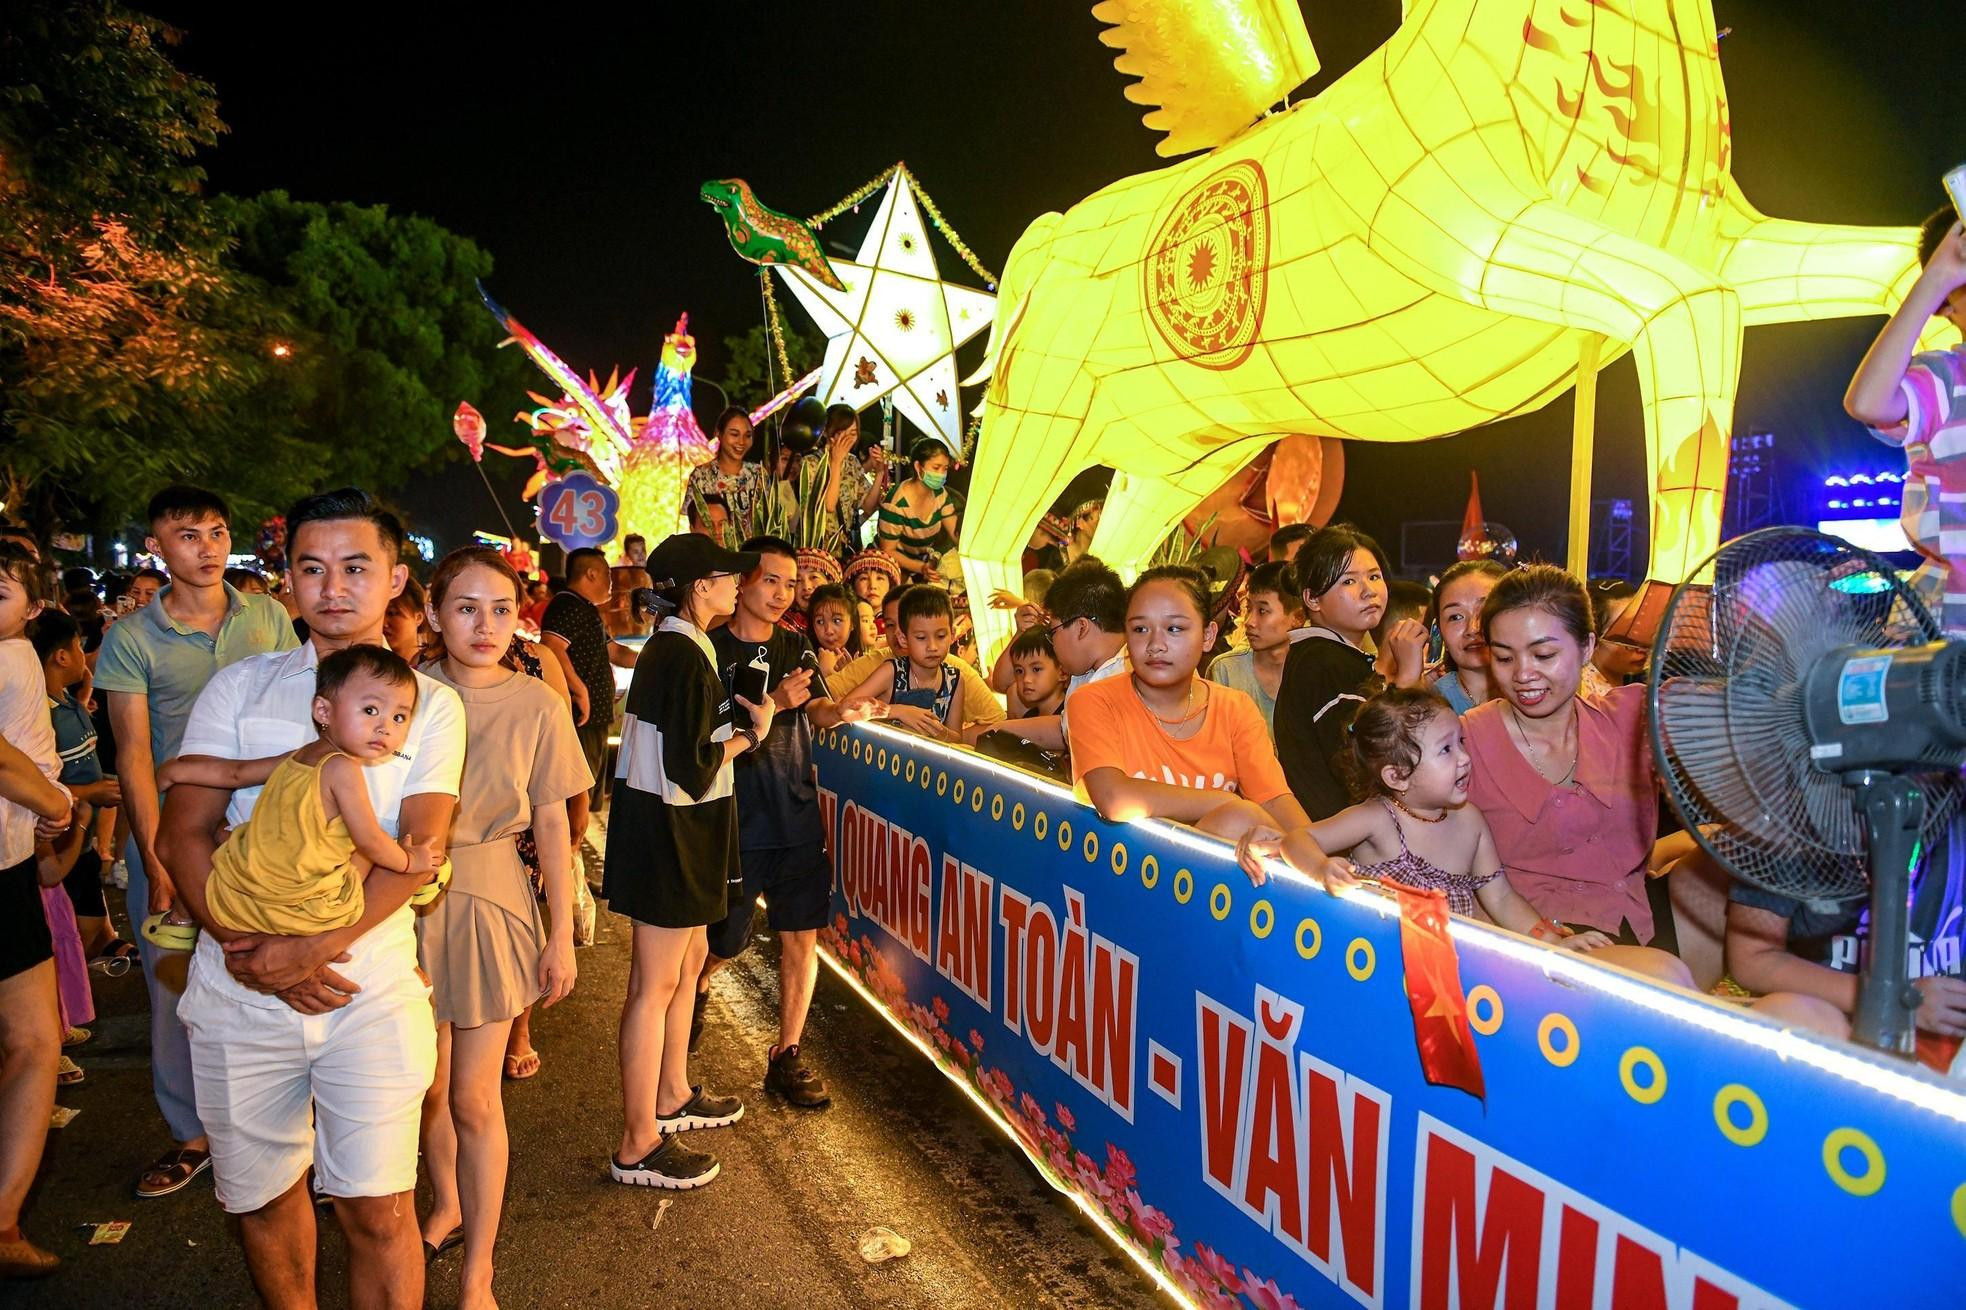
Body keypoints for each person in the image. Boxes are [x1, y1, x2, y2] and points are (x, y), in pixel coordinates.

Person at [156, 488, 464, 1309]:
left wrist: (310, 950)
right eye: (311, 567)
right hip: (236, 989)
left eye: (356, 567)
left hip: (367, 992)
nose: (333, 587)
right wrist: (245, 950)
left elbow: (418, 856)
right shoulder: (238, 690)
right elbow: (181, 834)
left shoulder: (430, 706)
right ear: (286, 578)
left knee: (379, 1208)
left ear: (396, 578)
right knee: (259, 1200)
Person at [92, 484, 297, 1201]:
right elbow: (133, 754)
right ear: (157, 547)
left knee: (272, 971)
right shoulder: (131, 638)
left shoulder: (268, 616)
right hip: (173, 832)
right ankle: (192, 1135)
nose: (206, 547)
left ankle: (288, 1128)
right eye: (187, 535)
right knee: (173, 990)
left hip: (261, 835)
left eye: (215, 531)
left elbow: (298, 720)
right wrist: (154, 854)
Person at [415, 547, 586, 1303]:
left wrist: (559, 934)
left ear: (521, 619)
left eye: (502, 610)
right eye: (465, 607)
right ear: (431, 612)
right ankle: (445, 1201)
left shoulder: (539, 703)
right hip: (403, 900)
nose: (485, 626)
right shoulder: (405, 696)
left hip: (492, 896)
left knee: (474, 1098)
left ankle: (479, 1268)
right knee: (424, 1087)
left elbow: (553, 825)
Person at [605, 533, 771, 1190]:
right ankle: (636, 1141)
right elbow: (695, 766)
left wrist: (747, 711)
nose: (739, 586)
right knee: (653, 985)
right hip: (668, 832)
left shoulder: (681, 646)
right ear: (700, 587)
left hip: (681, 829)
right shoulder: (678, 653)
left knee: (689, 964)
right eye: (730, 577)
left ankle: (670, 1095)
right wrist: (747, 737)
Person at [699, 537, 863, 1107]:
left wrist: (842, 709)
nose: (781, 594)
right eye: (772, 580)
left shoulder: (796, 646)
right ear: (743, 581)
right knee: (726, 937)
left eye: (790, 584)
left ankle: (786, 1053)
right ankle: (695, 988)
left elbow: (817, 707)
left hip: (795, 813)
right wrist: (781, 702)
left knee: (801, 937)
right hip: (735, 819)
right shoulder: (709, 649)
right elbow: (708, 727)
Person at [1067, 566, 1342, 887]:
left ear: (1208, 635)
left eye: (1175, 629)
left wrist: (1314, 858)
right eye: (1140, 630)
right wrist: (1224, 803)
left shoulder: (1234, 707)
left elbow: (1274, 800)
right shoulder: (1095, 701)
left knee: (1250, 827)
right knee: (1239, 819)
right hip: (1114, 876)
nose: (1156, 644)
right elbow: (1115, 800)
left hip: (1201, 885)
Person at [152, 646, 441, 945]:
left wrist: (175, 772)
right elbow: (369, 840)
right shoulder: (343, 768)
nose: (384, 727)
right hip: (305, 908)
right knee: (368, 850)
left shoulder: (301, 755)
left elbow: (234, 773)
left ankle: (182, 914)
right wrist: (410, 862)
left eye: (399, 717)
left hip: (245, 894)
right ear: (323, 711)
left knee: (233, 832)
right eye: (370, 710)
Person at [1462, 565, 1680, 952]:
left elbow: (1740, 712)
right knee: (1665, 973)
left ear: (1587, 647)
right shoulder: (1466, 740)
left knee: (1714, 876)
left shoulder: (1630, 715)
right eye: (1504, 658)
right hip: (1537, 936)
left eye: (1544, 654)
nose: (1524, 674)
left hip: (1632, 912)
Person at [1303, 687, 1618, 945]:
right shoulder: (1378, 819)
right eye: (1446, 750)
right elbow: (1299, 839)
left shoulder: (1470, 821)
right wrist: (1319, 867)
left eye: (1461, 742)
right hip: (1377, 961)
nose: (1465, 758)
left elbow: (1501, 898)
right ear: (1397, 776)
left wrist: (1550, 942)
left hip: (1449, 971)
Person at [1723, 816, 1966, 1069]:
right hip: (1833, 1027)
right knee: (1786, 1016)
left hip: (1946, 1048)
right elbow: (1752, 959)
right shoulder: (1785, 822)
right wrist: (1895, 1001)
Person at [0, 543, 75, 1279]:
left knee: (34, 1040)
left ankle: (4, 1221)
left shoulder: (19, 654)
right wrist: (52, 800)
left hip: (12, 867)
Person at [1846, 209, 1966, 634]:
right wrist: (1933, 280)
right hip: (1947, 640)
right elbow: (1869, 401)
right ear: (1946, 305)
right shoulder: (1947, 378)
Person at [1274, 525, 1425, 819]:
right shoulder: (1323, 660)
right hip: (1343, 842)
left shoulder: (1332, 656)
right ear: (1312, 599)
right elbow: (1360, 762)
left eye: (1374, 576)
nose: (1368, 590)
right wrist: (1406, 679)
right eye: (1349, 581)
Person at [539, 547, 640, 875]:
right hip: (578, 719)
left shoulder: (586, 611)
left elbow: (614, 652)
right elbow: (552, 648)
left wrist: (657, 658)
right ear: (591, 574)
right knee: (573, 802)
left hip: (594, 719)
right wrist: (580, 690)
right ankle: (560, 874)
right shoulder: (566, 605)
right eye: (608, 576)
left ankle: (571, 872)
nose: (611, 583)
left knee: (585, 799)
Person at [33, 610, 125, 960]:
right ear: (61, 656)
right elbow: (38, 786)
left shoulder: (66, 699)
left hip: (81, 842)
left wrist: (85, 687)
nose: (81, 652)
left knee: (87, 924)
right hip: (61, 841)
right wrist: (92, 794)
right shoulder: (41, 713)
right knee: (70, 934)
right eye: (77, 645)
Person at [838, 585, 1001, 739]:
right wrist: (897, 711)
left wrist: (937, 730)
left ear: (952, 634)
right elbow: (846, 708)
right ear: (903, 638)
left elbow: (956, 737)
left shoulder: (955, 680)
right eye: (921, 638)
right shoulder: (892, 672)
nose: (932, 646)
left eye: (941, 636)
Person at [1005, 557, 1130, 753]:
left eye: (1053, 632)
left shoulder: (1132, 678)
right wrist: (997, 729)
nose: (1052, 643)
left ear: (1081, 628)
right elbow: (1065, 728)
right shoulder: (1086, 672)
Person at [1206, 560, 1304, 738]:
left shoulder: (1315, 670)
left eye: (1263, 611)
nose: (1249, 622)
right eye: (1248, 608)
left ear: (1297, 618)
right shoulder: (1226, 670)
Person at [1429, 560, 1508, 714]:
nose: (1473, 629)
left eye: (1485, 611)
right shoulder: (1432, 703)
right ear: (1439, 630)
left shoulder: (1536, 691)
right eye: (1455, 617)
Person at [803, 406, 886, 549]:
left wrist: (879, 473)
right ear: (826, 432)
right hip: (819, 546)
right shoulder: (810, 463)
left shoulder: (852, 462)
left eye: (853, 433)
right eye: (842, 433)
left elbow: (868, 507)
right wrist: (835, 462)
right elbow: (829, 505)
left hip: (846, 545)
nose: (848, 439)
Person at [877, 439, 961, 579]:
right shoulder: (896, 504)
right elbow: (888, 550)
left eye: (945, 469)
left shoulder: (940, 494)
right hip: (894, 568)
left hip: (924, 564)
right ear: (918, 467)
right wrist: (921, 568)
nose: (941, 474)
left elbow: (956, 533)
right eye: (936, 468)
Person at [687, 409, 769, 536]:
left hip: (751, 552)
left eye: (747, 435)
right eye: (734, 434)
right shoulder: (702, 475)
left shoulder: (758, 474)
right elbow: (693, 521)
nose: (741, 442)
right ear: (719, 434)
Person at [805, 582, 861, 683]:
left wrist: (849, 677)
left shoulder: (866, 662)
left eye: (836, 621)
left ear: (852, 623)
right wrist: (821, 673)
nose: (828, 631)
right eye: (820, 622)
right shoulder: (802, 663)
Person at [382, 575, 430, 663]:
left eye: (392, 613)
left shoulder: (430, 672)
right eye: (380, 614)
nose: (383, 623)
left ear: (418, 617)